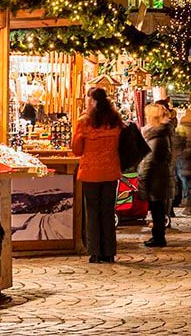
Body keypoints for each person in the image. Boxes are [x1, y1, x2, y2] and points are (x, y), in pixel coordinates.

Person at [71, 88, 123, 264]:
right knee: (108, 211)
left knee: (92, 212)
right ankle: (109, 252)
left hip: (90, 173)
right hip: (110, 172)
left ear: (92, 102)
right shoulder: (115, 120)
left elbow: (76, 149)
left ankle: (95, 252)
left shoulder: (84, 122)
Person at [138, 103, 175, 248]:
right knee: (157, 209)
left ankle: (158, 237)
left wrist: (142, 177)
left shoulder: (157, 137)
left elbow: (149, 161)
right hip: (160, 178)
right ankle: (158, 236)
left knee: (157, 209)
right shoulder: (161, 134)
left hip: (156, 179)